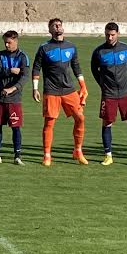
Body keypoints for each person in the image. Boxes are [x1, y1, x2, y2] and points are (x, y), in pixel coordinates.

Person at [31, 18, 87, 166]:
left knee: (80, 118)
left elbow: (76, 67)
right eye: (54, 25)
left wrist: (83, 86)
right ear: (50, 30)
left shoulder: (71, 46)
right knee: (49, 122)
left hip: (69, 90)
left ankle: (78, 151)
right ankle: (47, 155)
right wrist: (35, 88)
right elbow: (36, 68)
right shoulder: (44, 48)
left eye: (59, 25)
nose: (57, 27)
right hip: (51, 90)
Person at [91, 22, 127, 167]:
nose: (110, 37)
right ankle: (108, 156)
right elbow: (94, 70)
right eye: (107, 35)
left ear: (118, 34)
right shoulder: (99, 52)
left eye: (112, 35)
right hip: (109, 94)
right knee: (107, 122)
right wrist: (103, 84)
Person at [0, 30, 29, 165]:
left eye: (9, 42)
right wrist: (10, 70)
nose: (6, 45)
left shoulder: (23, 57)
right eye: (5, 42)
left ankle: (17, 156)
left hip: (14, 99)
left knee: (16, 127)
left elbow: (24, 77)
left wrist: (12, 88)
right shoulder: (0, 55)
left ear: (16, 41)